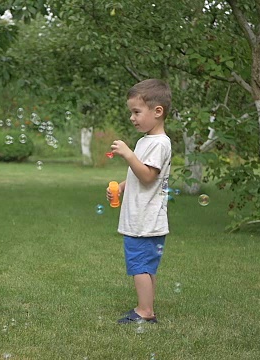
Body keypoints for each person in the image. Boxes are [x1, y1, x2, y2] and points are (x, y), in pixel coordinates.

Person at [107, 79, 172, 324]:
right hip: (145, 218)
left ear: (158, 112)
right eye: (131, 112)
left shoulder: (158, 143)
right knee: (146, 266)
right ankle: (146, 306)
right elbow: (142, 174)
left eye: (136, 112)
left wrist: (127, 153)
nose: (132, 118)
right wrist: (122, 187)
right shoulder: (147, 140)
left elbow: (147, 177)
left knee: (139, 266)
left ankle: (145, 312)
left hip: (144, 220)